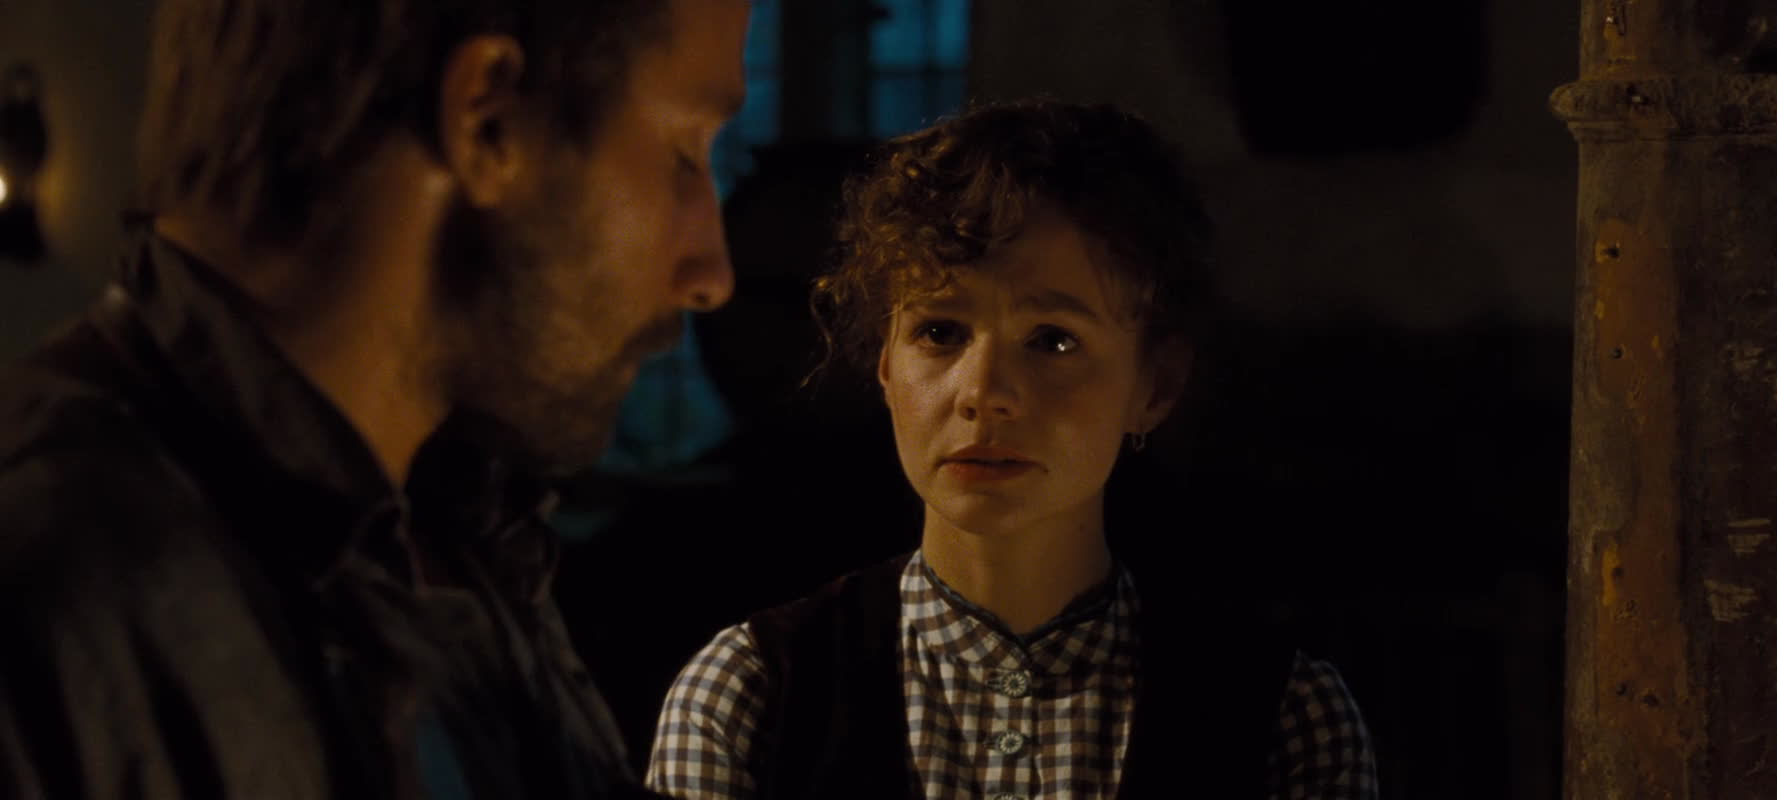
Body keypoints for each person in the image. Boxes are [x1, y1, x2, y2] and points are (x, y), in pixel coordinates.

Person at [0, 0, 746, 797]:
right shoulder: (61, 595)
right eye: (686, 150)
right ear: (487, 119)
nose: (713, 274)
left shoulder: (453, 537)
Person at [644, 100, 1378, 799]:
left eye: (1052, 340)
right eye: (939, 332)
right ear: (886, 367)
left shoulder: (1284, 717)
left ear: (1155, 385)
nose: (984, 392)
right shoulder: (747, 695)